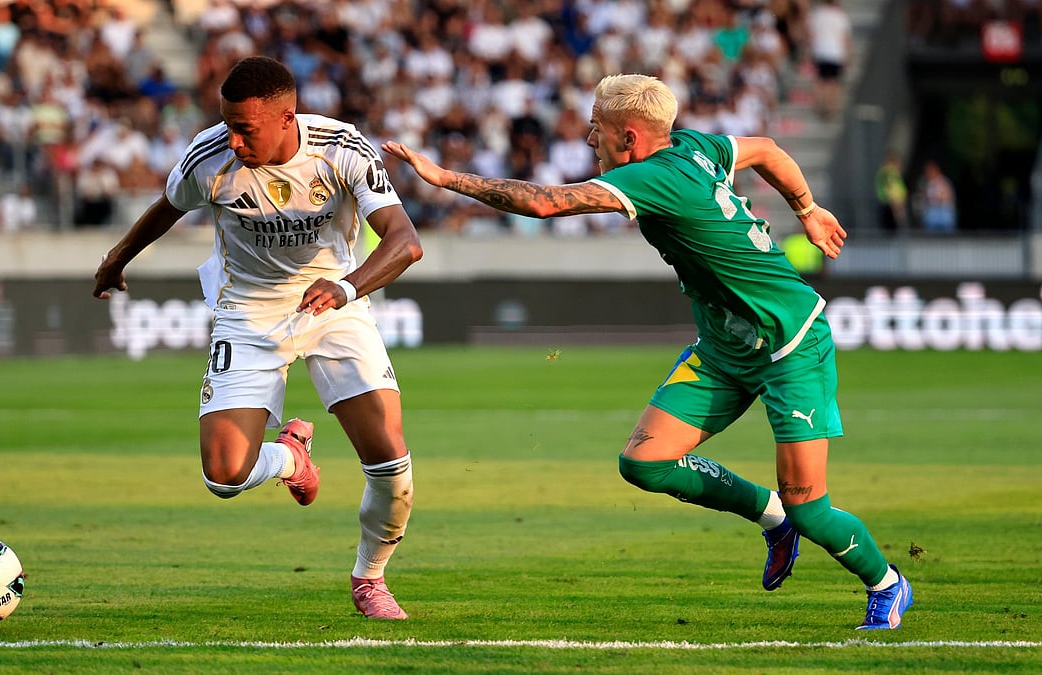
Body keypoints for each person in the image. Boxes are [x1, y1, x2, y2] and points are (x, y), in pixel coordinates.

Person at [383, 73, 913, 630]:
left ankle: (887, 583)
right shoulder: (695, 146)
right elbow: (767, 151)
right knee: (644, 462)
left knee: (812, 507)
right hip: (724, 345)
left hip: (789, 345)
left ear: (629, 138)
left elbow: (544, 204)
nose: (591, 140)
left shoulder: (656, 177)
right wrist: (806, 208)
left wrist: (444, 177)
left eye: (597, 129)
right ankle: (770, 515)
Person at [93, 56, 423, 620]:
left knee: (392, 466)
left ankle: (369, 579)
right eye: (227, 125)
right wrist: (116, 257)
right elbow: (166, 209)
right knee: (224, 475)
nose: (235, 140)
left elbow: (405, 242)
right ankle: (293, 459)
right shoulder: (210, 157)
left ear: (287, 116)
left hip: (335, 303)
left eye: (246, 128)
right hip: (248, 312)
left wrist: (345, 287)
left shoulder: (342, 149)